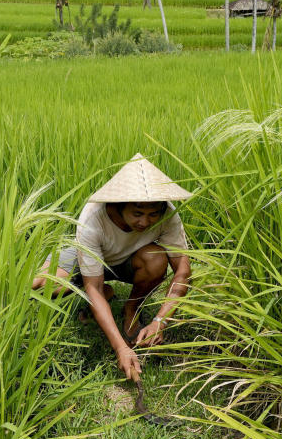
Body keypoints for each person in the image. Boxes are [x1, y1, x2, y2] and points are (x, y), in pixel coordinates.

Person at [31, 153, 192, 382]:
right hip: (85, 258)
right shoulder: (93, 218)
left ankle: (131, 310)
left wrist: (160, 321)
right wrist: (121, 349)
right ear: (119, 205)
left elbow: (183, 271)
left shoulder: (167, 214)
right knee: (41, 285)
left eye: (152, 215)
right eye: (137, 214)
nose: (145, 223)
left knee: (156, 258)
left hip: (129, 262)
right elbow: (93, 286)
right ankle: (91, 298)